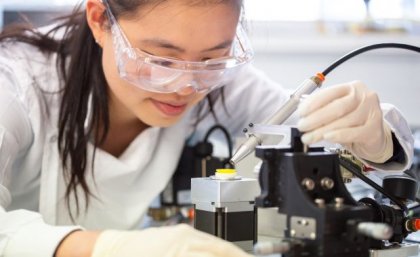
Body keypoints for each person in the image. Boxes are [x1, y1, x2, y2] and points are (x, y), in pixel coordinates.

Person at [0, 0, 413, 256]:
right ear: (99, 20)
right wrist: (107, 248)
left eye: (213, 58)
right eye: (162, 59)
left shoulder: (219, 85)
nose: (187, 85)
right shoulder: (15, 84)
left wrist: (377, 137)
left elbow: (306, 119)